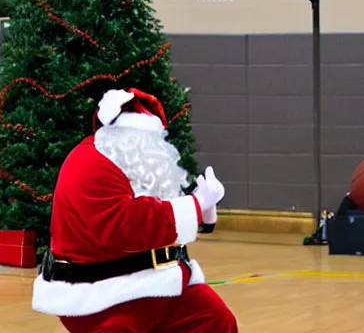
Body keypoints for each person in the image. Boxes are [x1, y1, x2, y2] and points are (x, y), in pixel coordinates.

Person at [32, 88, 238, 332]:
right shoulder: (90, 164)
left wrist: (204, 211)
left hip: (160, 283)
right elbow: (127, 224)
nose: (152, 149)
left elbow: (164, 208)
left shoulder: (140, 168)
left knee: (216, 319)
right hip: (103, 294)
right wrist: (196, 204)